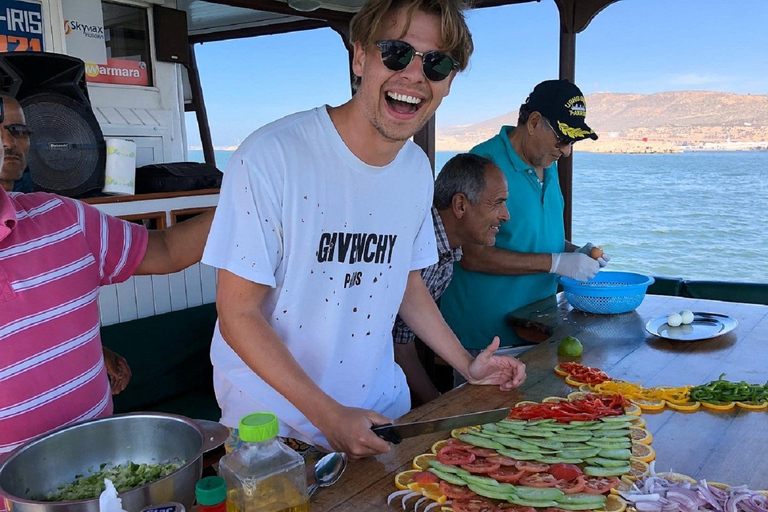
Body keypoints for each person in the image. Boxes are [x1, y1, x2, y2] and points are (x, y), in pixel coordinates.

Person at [203, 0, 527, 460]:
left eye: (436, 63)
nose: (415, 75)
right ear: (360, 57)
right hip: (274, 435)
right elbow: (238, 314)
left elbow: (405, 282)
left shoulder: (416, 168)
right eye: (397, 52)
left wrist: (466, 365)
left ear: (449, 81)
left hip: (380, 420)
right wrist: (327, 414)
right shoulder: (270, 157)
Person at [0, 96, 215, 466]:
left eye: (18, 129)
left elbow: (165, 249)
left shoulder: (62, 218)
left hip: (104, 478)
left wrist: (253, 195)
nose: (8, 140)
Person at [440, 79, 610, 354]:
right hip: (484, 339)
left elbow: (536, 235)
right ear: (533, 123)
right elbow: (471, 255)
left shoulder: (547, 163)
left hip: (538, 330)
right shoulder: (485, 164)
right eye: (563, 139)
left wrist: (575, 252)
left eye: (572, 143)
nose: (566, 151)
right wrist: (556, 263)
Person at [0, 93, 131, 394]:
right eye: (0, 130)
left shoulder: (54, 212)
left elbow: (36, 311)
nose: (8, 143)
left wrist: (93, 347)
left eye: (19, 131)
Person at [393, 153, 510, 405]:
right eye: (497, 203)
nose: (506, 215)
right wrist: (439, 405)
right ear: (460, 205)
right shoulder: (416, 243)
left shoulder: (446, 258)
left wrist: (437, 404)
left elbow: (400, 341)